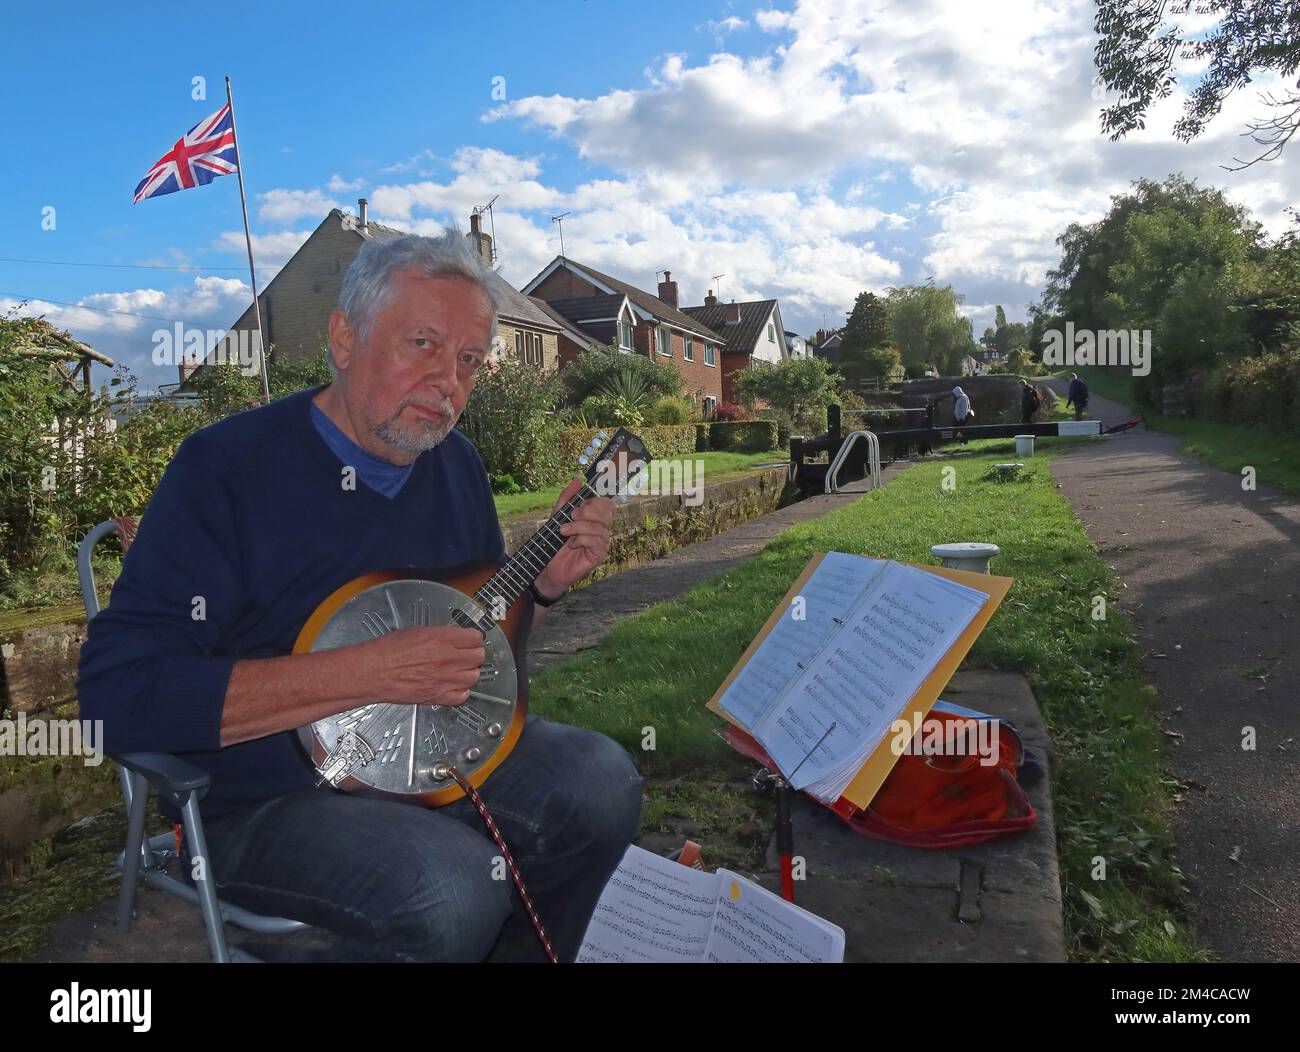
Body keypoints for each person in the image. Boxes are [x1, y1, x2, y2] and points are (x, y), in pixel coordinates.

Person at [77, 231, 643, 963]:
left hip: (426, 760)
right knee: (451, 885)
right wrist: (365, 673)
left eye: (469, 360)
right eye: (423, 344)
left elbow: (477, 655)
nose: (449, 382)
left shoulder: (454, 464)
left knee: (601, 781)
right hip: (264, 796)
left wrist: (539, 587)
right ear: (344, 338)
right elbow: (116, 696)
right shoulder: (226, 468)